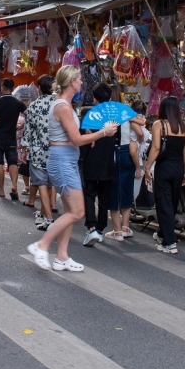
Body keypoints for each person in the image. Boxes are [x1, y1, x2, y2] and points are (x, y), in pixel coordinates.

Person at [26, 66, 117, 272]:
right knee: (77, 212)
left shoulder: (65, 104)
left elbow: (73, 135)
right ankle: (42, 245)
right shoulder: (63, 106)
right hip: (62, 162)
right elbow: (75, 139)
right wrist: (102, 133)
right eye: (79, 79)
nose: (82, 82)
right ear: (71, 82)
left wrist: (88, 136)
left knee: (70, 211)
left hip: (66, 160)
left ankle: (62, 257)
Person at [145, 96, 185, 255]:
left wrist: (147, 166)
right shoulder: (184, 126)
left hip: (164, 167)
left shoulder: (159, 125)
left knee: (164, 204)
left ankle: (169, 243)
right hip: (178, 168)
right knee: (171, 201)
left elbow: (156, 147)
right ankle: (163, 233)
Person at [80, 83, 117, 247]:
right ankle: (101, 227)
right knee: (104, 197)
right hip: (108, 159)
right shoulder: (115, 116)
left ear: (94, 98)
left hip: (90, 159)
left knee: (89, 194)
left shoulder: (87, 112)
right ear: (109, 98)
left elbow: (81, 133)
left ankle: (92, 226)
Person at [108, 100, 146, 240]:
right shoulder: (127, 115)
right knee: (126, 189)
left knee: (113, 190)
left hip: (112, 152)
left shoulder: (105, 117)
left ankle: (117, 231)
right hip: (125, 151)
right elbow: (141, 125)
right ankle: (125, 227)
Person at [23, 75, 57, 230]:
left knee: (41, 184)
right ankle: (44, 214)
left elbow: (27, 132)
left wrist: (24, 149)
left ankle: (49, 218)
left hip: (38, 150)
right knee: (50, 184)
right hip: (57, 149)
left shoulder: (33, 106)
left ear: (40, 88)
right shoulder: (60, 104)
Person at [0, 78, 26, 201]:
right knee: (12, 162)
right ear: (13, 88)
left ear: (2, 88)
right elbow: (29, 115)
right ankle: (14, 186)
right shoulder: (18, 103)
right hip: (11, 137)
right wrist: (22, 126)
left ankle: (1, 190)